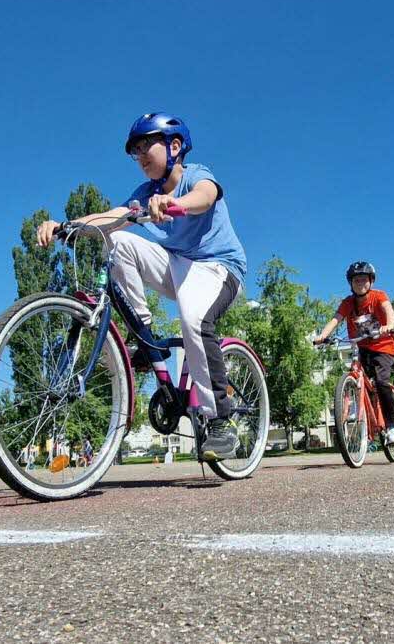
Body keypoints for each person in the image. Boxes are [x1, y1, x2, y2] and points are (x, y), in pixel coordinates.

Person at [36, 112, 247, 461]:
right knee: (118, 241)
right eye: (136, 151)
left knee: (192, 321)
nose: (140, 155)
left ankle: (221, 421)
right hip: (178, 266)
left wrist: (175, 204)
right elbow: (112, 217)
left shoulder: (196, 175)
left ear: (175, 145)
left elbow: (205, 197)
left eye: (147, 144)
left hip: (219, 268)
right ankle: (146, 338)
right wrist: (65, 225)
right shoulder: (144, 193)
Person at [312, 261, 394, 445]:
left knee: (381, 381)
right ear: (350, 283)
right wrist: (322, 335)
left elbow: (388, 309)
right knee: (361, 381)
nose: (360, 283)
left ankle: (393, 427)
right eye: (356, 280)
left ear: (371, 281)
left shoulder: (379, 296)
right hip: (361, 346)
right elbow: (335, 319)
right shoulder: (348, 303)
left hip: (384, 346)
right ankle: (369, 427)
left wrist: (389, 325)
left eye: (364, 279)